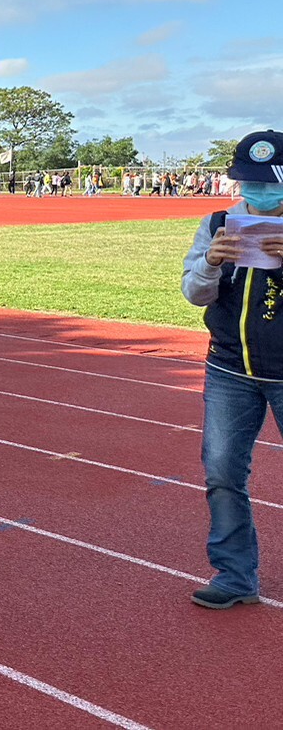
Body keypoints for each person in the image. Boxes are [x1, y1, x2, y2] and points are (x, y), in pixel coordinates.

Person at [181, 130, 283, 609]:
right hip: (229, 369)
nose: (258, 192)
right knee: (222, 471)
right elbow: (194, 294)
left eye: (269, 182)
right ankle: (235, 576)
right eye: (249, 182)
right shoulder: (218, 222)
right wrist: (210, 264)